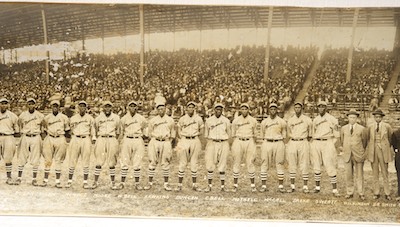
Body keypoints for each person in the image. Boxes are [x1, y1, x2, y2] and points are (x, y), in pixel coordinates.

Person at [310, 101, 340, 197]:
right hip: (317, 142)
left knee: (330, 165)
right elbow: (313, 132)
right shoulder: (315, 119)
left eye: (323, 107)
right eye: (319, 107)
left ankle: (334, 189)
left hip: (327, 141)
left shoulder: (332, 119)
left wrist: (332, 143)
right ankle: (317, 187)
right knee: (316, 164)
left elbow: (337, 134)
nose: (321, 109)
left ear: (326, 108)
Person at [144, 102, 175, 191]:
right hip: (155, 140)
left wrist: (169, 142)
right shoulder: (153, 120)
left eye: (162, 109)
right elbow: (149, 133)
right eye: (159, 109)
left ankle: (166, 184)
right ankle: (150, 183)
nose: (161, 110)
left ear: (165, 109)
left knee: (165, 162)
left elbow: (173, 133)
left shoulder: (170, 120)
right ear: (157, 110)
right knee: (152, 162)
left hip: (165, 141)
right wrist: (154, 140)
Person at [175, 101, 204, 192]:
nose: (191, 109)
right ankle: (179, 185)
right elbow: (178, 130)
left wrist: (195, 135)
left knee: (194, 163)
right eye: (189, 107)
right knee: (182, 163)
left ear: (194, 109)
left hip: (194, 140)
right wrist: (182, 137)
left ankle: (194, 185)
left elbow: (202, 130)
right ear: (186, 108)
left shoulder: (198, 118)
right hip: (184, 140)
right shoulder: (182, 118)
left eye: (192, 107)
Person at [118, 100, 147, 190]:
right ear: (128, 107)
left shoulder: (141, 118)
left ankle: (137, 183)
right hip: (127, 139)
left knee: (137, 162)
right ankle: (122, 183)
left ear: (136, 107)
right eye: (131, 106)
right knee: (124, 161)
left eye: (134, 106)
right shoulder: (123, 119)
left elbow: (144, 128)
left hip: (137, 139)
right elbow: (121, 131)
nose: (132, 108)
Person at [66, 101, 96, 189]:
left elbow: (92, 130)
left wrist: (93, 138)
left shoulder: (90, 118)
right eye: (81, 106)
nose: (82, 108)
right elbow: (70, 130)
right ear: (78, 108)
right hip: (75, 138)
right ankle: (69, 181)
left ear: (86, 108)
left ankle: (85, 182)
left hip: (86, 138)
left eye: (84, 106)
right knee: (72, 160)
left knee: (86, 161)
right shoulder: (73, 118)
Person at [339, 109, 368, 200]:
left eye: (354, 117)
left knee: (359, 174)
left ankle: (361, 192)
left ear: (357, 118)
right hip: (347, 154)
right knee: (348, 174)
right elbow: (342, 140)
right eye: (350, 117)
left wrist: (361, 151)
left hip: (358, 154)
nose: (352, 119)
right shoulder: (343, 128)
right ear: (347, 118)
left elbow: (364, 142)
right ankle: (349, 192)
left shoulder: (362, 129)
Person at [15, 98, 44, 186]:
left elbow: (42, 127)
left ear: (35, 105)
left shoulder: (40, 115)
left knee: (35, 158)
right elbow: (19, 125)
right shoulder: (22, 115)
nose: (31, 105)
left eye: (32, 104)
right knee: (22, 157)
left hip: (35, 136)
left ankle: (34, 179)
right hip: (25, 136)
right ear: (27, 105)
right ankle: (19, 178)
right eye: (29, 104)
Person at [41, 100, 70, 188]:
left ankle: (57, 181)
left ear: (59, 107)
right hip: (50, 138)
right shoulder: (47, 118)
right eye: (53, 106)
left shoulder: (64, 117)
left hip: (60, 137)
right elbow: (44, 129)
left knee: (58, 160)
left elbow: (67, 130)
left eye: (56, 106)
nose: (55, 107)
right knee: (48, 160)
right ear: (51, 107)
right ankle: (45, 180)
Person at [92, 101, 121, 189]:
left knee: (112, 161)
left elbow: (118, 131)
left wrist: (115, 140)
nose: (107, 108)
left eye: (109, 107)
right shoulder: (98, 118)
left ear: (111, 108)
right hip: (101, 138)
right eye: (106, 107)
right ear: (103, 108)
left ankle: (113, 183)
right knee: (99, 161)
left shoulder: (116, 117)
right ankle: (95, 182)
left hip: (112, 138)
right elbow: (96, 129)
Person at [366, 109, 393, 200]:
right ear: (374, 118)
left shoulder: (387, 126)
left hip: (383, 151)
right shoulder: (370, 127)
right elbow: (368, 138)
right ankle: (376, 192)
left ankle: (387, 192)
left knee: (385, 172)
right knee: (375, 172)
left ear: (382, 117)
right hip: (373, 151)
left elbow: (390, 138)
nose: (377, 118)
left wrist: (385, 147)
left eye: (379, 117)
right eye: (376, 117)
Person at [204, 103, 231, 192]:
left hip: (223, 142)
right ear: (213, 110)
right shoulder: (209, 120)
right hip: (212, 142)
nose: (218, 111)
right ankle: (209, 186)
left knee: (222, 164)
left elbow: (229, 134)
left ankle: (223, 187)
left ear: (222, 110)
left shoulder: (226, 120)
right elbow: (206, 134)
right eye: (216, 109)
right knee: (210, 164)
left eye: (220, 109)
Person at [260, 103, 287, 193]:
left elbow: (284, 135)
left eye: (274, 109)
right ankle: (263, 186)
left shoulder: (281, 121)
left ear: (277, 110)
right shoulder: (264, 122)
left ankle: (280, 186)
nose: (273, 111)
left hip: (278, 142)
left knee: (279, 164)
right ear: (269, 110)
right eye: (271, 109)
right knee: (264, 163)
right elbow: (262, 134)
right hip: (267, 142)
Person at [231, 103, 257, 192]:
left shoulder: (253, 120)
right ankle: (235, 185)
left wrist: (253, 144)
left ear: (248, 110)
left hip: (249, 140)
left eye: (246, 109)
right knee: (236, 162)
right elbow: (233, 133)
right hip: (238, 140)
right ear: (240, 110)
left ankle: (253, 185)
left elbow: (255, 134)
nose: (244, 110)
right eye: (242, 109)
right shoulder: (236, 120)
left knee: (250, 162)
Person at [286, 102, 312, 193]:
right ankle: (292, 186)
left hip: (303, 141)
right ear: (294, 109)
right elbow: (288, 133)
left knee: (304, 163)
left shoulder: (307, 119)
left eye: (299, 107)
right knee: (292, 163)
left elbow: (310, 134)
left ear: (302, 108)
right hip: (293, 141)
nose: (297, 109)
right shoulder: (290, 120)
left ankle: (305, 186)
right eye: (296, 107)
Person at [0, 97, 20, 185]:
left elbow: (17, 130)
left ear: (8, 105)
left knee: (8, 158)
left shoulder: (13, 116)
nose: (3, 105)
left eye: (5, 103)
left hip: (8, 136)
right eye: (2, 103)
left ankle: (9, 177)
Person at [391, 127, 400, 201]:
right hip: (399, 156)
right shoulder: (396, 133)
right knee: (399, 175)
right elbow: (394, 145)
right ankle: (399, 193)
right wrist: (397, 151)